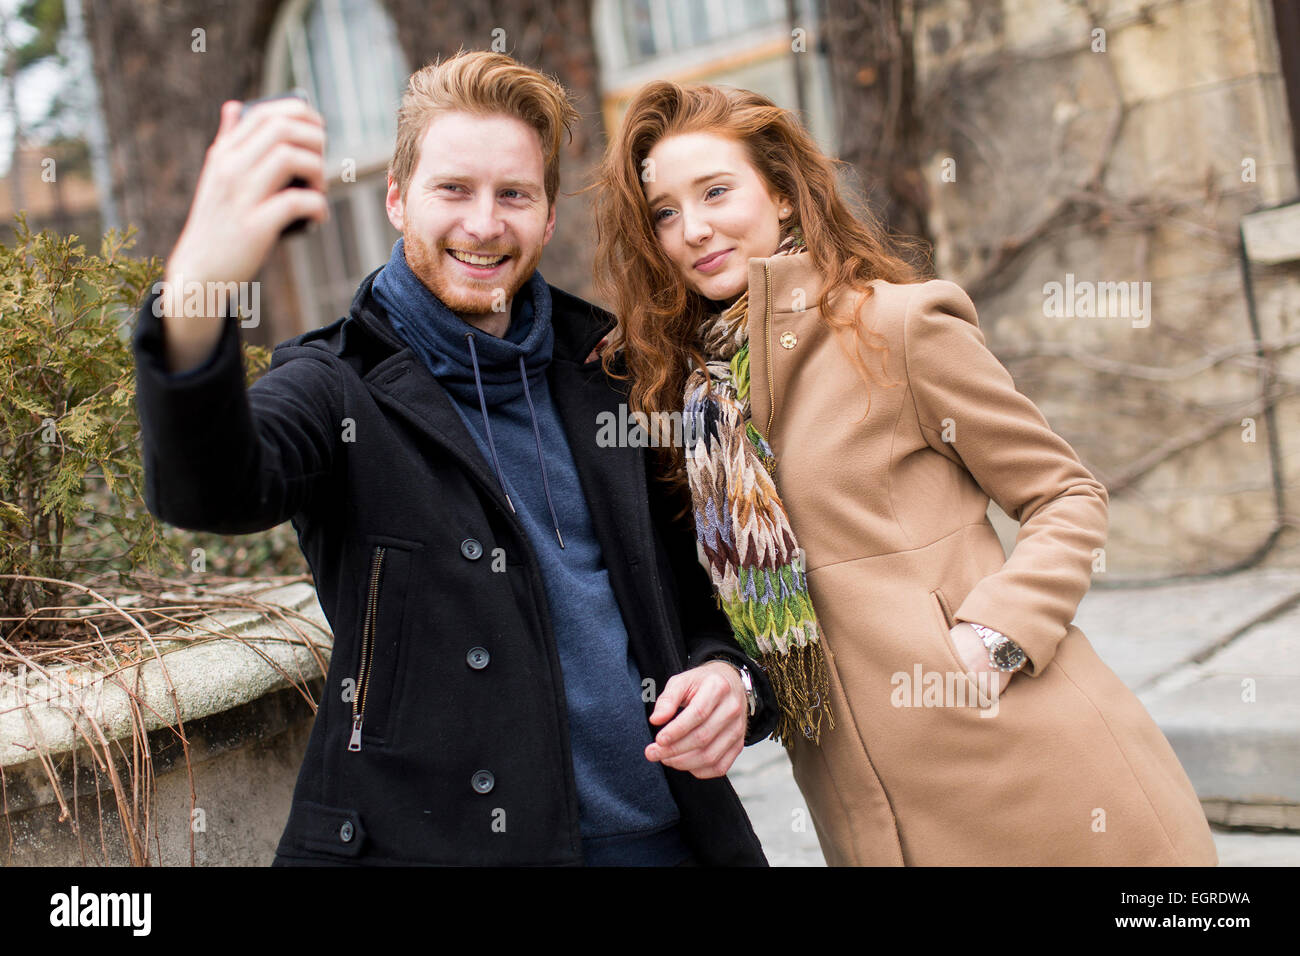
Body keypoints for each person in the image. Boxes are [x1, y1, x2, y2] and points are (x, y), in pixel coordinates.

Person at [131, 51, 779, 866]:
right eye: (453, 190)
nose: (483, 224)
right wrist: (199, 285)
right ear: (398, 199)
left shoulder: (617, 371)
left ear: (547, 217)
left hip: (664, 840)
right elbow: (212, 489)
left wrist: (730, 680)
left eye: (513, 194)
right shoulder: (335, 386)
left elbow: (701, 605)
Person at [591, 80, 1219, 866]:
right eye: (666, 213)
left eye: (717, 191)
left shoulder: (895, 326)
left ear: (782, 195)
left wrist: (994, 639)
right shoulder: (695, 402)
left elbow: (1065, 493)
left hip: (1032, 775)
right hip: (866, 818)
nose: (695, 229)